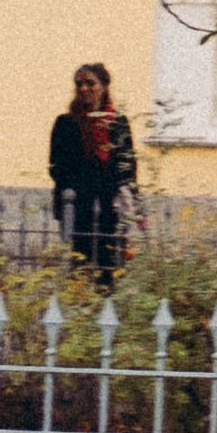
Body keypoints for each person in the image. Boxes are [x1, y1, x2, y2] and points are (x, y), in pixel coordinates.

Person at [49, 61, 139, 284]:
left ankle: (104, 308)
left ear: (104, 85)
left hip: (111, 206)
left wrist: (128, 196)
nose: (84, 88)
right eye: (79, 83)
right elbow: (56, 166)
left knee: (109, 264)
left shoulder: (118, 123)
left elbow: (128, 165)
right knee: (80, 265)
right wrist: (80, 188)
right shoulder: (66, 123)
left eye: (90, 83)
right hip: (78, 204)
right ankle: (80, 307)